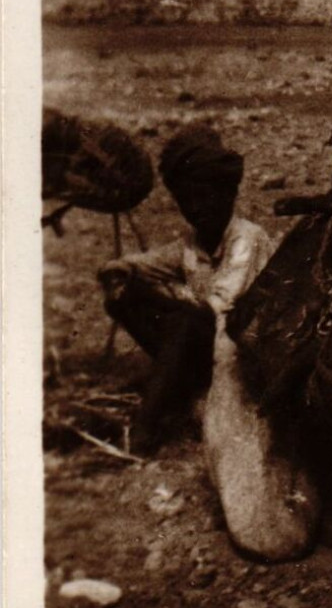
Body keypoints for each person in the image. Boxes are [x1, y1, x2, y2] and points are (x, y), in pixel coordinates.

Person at [97, 125, 275, 452]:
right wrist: (119, 273)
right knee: (126, 299)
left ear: (228, 194)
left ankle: (145, 427)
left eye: (203, 198)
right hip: (209, 350)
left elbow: (218, 307)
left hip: (244, 355)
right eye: (185, 201)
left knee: (185, 321)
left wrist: (161, 295)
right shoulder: (193, 244)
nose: (194, 209)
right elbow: (145, 264)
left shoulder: (246, 240)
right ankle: (180, 385)